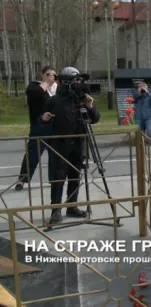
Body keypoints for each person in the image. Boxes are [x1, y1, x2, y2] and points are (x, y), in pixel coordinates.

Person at [39, 67, 100, 224]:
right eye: (73, 80)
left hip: (78, 142)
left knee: (75, 174)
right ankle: (56, 210)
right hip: (59, 144)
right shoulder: (54, 100)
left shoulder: (82, 99)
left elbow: (95, 118)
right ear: (63, 81)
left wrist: (90, 106)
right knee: (58, 176)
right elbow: (40, 119)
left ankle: (72, 206)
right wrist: (44, 118)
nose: (76, 83)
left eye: (78, 80)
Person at [14, 66, 57, 191]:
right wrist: (46, 83)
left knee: (55, 154)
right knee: (33, 154)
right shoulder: (35, 86)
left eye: (54, 75)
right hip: (40, 126)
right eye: (48, 74)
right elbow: (35, 93)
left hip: (55, 126)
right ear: (42, 75)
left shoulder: (57, 89)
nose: (51, 77)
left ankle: (55, 179)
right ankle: (22, 179)